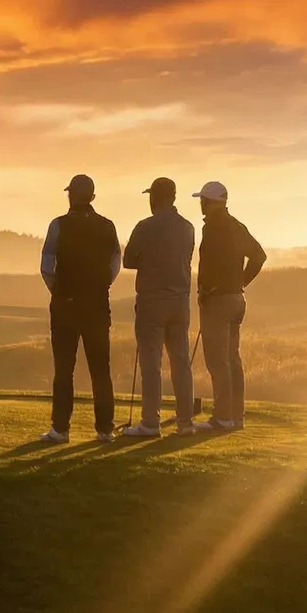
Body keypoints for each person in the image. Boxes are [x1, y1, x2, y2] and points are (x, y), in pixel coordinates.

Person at [38, 174, 121, 443]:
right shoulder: (107, 226)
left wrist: (60, 291)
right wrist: (99, 287)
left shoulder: (58, 225)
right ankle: (105, 429)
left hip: (66, 306)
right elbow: (114, 264)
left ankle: (60, 429)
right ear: (92, 197)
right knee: (101, 369)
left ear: (70, 195)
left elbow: (47, 266)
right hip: (97, 305)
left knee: (64, 369)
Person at [118, 177, 196, 437]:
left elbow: (128, 260)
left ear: (155, 198)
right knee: (181, 362)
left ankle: (151, 422)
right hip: (180, 301)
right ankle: (185, 422)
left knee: (151, 364)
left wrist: (149, 260)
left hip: (152, 301)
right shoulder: (187, 227)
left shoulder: (145, 226)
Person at [194, 180, 266, 431]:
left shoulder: (214, 227)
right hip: (236, 299)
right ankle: (236, 416)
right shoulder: (236, 225)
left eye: (203, 201)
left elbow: (212, 264)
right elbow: (259, 256)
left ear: (210, 202)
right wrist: (241, 282)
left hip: (218, 300)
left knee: (218, 361)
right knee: (232, 358)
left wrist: (212, 289)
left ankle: (223, 417)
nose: (201, 205)